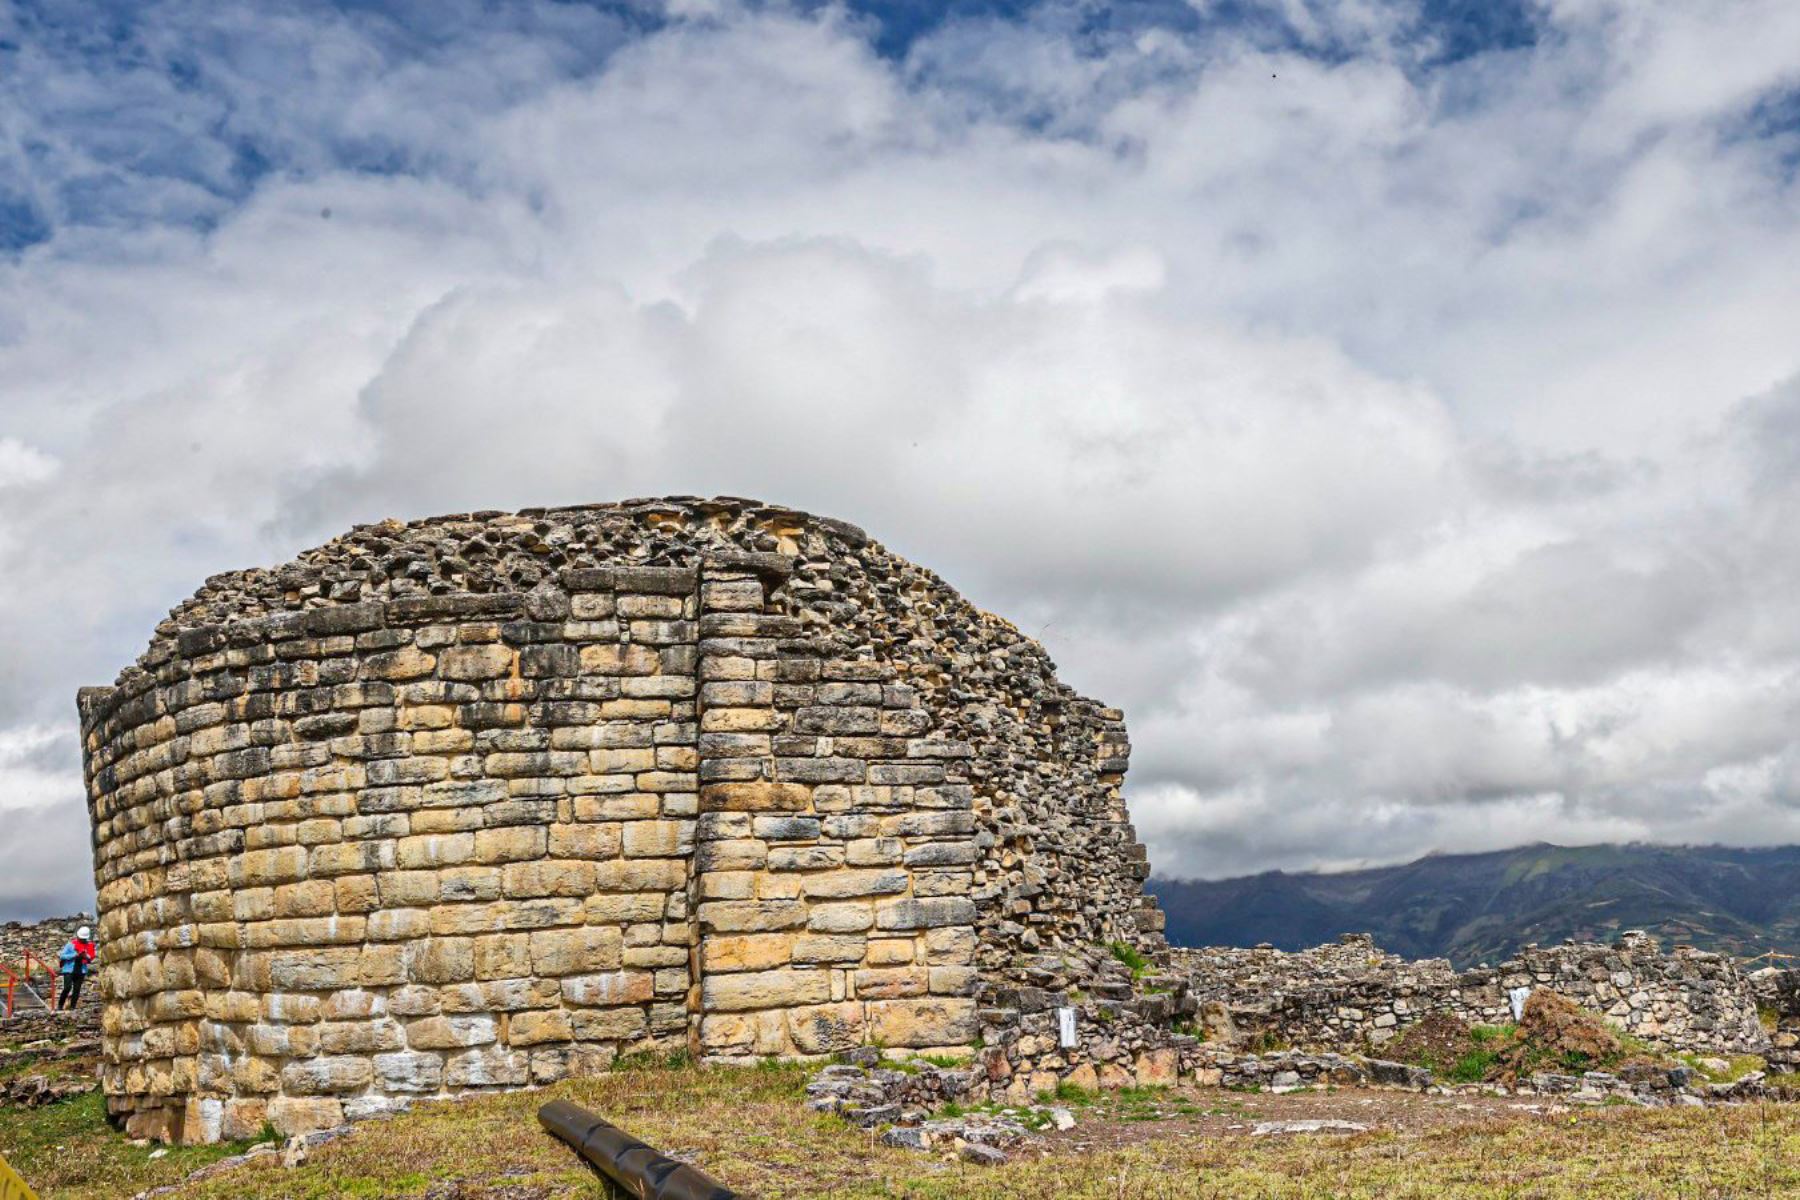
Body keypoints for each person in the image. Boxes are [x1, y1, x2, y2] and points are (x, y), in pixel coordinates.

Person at [56, 925, 96, 1012]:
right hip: (68, 970)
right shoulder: (70, 944)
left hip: (81, 970)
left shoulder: (89, 946)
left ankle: (73, 1007)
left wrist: (85, 956)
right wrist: (74, 955)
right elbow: (62, 956)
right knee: (67, 987)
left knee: (77, 990)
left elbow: (91, 957)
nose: (82, 939)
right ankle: (60, 1005)